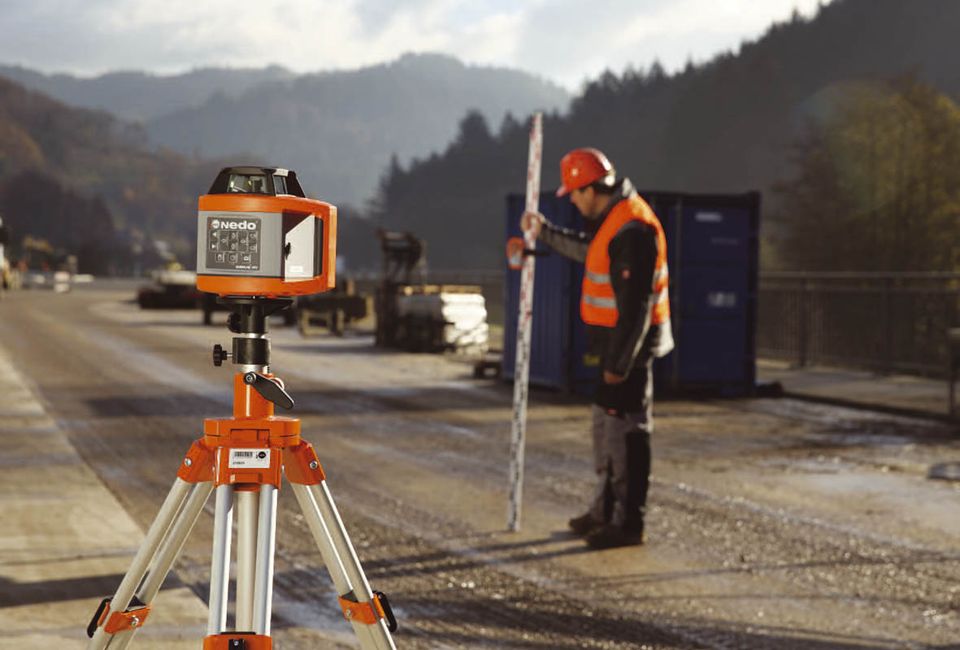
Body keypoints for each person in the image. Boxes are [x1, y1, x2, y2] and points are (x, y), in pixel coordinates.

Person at [521, 147, 673, 549]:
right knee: (607, 431)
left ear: (592, 189)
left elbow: (636, 309)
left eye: (574, 192)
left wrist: (619, 365)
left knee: (627, 434)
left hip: (629, 353)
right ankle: (604, 511)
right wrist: (545, 232)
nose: (572, 199)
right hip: (614, 349)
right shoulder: (615, 220)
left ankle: (628, 524)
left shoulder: (633, 228)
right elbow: (590, 253)